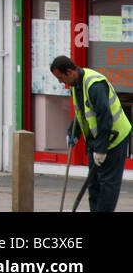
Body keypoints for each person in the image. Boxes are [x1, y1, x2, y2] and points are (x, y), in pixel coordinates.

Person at [50, 55, 131, 212]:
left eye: (60, 78)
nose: (61, 82)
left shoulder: (94, 85)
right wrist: (73, 132)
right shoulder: (76, 85)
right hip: (97, 138)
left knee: (108, 184)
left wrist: (100, 150)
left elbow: (104, 118)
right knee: (93, 182)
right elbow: (83, 113)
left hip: (115, 137)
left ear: (69, 72)